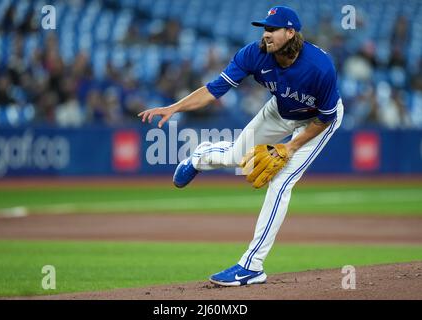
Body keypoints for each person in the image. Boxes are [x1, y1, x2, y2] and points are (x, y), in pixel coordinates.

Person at [138, 6, 344, 287]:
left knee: (281, 182)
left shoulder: (320, 67)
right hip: (281, 110)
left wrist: (291, 147)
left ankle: (251, 266)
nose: (266, 34)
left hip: (316, 122)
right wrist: (175, 107)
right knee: (237, 155)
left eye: (272, 29)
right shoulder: (254, 53)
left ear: (291, 33)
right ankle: (199, 158)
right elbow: (213, 89)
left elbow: (326, 118)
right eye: (264, 28)